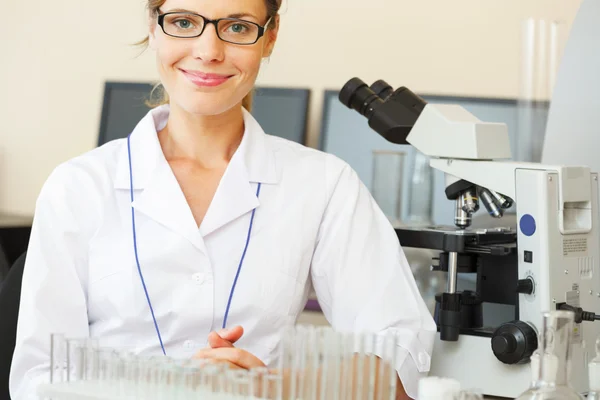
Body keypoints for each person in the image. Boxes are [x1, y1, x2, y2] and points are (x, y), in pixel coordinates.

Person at [9, 0, 437, 398]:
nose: (208, 50)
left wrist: (278, 387)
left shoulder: (323, 184)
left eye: (237, 27)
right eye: (182, 22)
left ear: (269, 37)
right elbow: (39, 376)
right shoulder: (79, 186)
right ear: (153, 27)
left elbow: (402, 353)